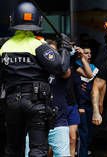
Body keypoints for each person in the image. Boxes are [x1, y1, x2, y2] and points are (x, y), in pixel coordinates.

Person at [0, 2, 70, 157]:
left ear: (13, 21)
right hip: (36, 103)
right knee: (38, 150)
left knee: (13, 149)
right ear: (38, 22)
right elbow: (61, 68)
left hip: (12, 103)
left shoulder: (4, 46)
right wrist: (65, 48)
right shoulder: (39, 45)